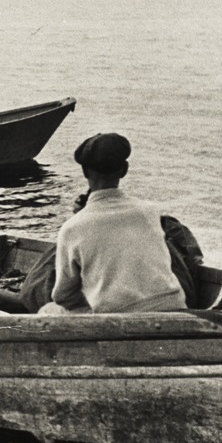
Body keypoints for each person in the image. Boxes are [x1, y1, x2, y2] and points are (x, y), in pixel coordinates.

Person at [40, 133, 186, 314]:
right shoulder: (151, 212)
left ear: (85, 172)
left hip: (120, 320)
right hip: (175, 308)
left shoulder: (72, 228)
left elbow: (64, 296)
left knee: (50, 310)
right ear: (124, 170)